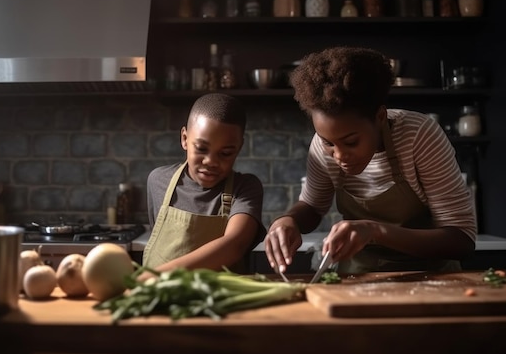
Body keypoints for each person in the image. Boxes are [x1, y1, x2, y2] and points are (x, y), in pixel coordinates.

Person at [264, 46, 476, 274]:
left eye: (351, 142)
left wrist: (375, 231)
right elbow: (313, 207)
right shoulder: (321, 145)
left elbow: (461, 240)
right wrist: (287, 221)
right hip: (359, 276)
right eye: (329, 143)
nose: (340, 156)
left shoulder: (418, 135)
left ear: (380, 117)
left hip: (431, 276)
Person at [142, 93, 265, 274]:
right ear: (184, 139)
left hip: (218, 299)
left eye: (225, 153)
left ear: (239, 147)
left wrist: (156, 276)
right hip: (158, 297)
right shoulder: (158, 180)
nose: (211, 161)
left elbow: (234, 245)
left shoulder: (245, 188)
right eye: (201, 149)